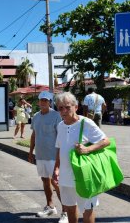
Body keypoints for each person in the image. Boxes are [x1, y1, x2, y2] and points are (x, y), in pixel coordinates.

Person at [53, 92, 110, 223]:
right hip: (65, 176)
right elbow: (59, 148)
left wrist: (87, 149)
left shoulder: (86, 123)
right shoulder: (60, 125)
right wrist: (56, 168)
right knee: (70, 208)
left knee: (87, 209)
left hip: (84, 176)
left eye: (67, 107)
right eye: (60, 108)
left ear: (76, 107)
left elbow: (106, 141)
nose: (64, 111)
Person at [28, 91, 67, 222]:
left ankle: (66, 212)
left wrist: (60, 156)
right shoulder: (36, 116)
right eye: (41, 100)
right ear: (38, 102)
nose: (43, 102)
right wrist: (30, 152)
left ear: (50, 102)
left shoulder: (56, 116)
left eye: (46, 100)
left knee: (56, 183)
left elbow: (61, 136)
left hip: (53, 155)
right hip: (40, 154)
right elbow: (34, 135)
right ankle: (50, 206)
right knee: (45, 181)